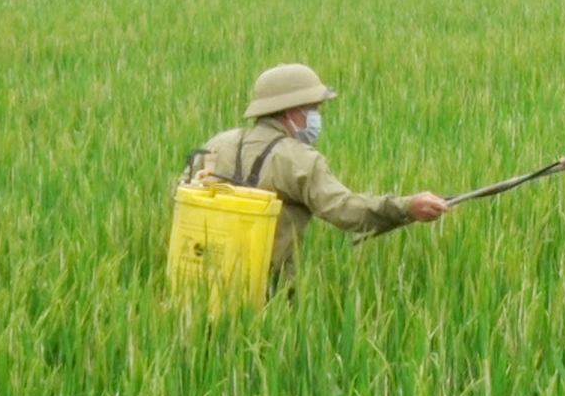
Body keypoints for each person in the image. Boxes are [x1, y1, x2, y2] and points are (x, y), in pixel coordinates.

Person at [180, 63, 448, 285]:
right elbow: (345, 210)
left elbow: (179, 195)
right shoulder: (298, 160)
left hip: (198, 277)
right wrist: (407, 207)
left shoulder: (215, 145)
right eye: (314, 109)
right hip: (267, 289)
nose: (317, 117)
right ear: (292, 112)